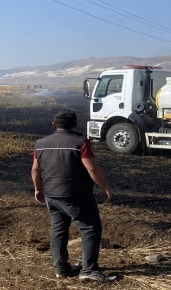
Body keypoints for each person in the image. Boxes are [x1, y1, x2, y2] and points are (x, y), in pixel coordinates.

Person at [31, 110, 116, 283]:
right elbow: (92, 169)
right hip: (75, 195)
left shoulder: (40, 143)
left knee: (58, 229)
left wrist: (38, 189)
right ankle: (89, 271)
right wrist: (105, 187)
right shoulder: (80, 142)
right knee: (90, 228)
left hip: (52, 196)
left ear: (54, 125)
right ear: (75, 125)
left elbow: (35, 169)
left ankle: (61, 269)